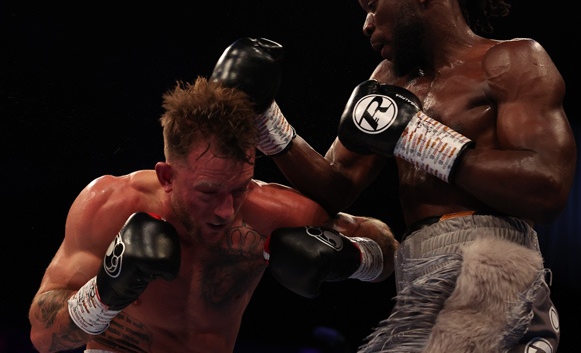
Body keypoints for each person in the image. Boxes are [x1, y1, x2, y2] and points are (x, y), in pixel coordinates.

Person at [212, 0, 577, 353]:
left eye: (373, 4)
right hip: (419, 274)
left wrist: (416, 138)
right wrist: (265, 119)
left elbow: (548, 187)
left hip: (493, 267)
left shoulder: (511, 60)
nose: (365, 23)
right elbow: (336, 185)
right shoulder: (388, 81)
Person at [28, 76, 398, 353]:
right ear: (167, 176)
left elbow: (388, 252)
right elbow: (43, 336)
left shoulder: (273, 212)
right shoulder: (110, 204)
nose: (225, 210)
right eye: (209, 191)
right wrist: (106, 291)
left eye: (240, 188)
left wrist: (354, 258)